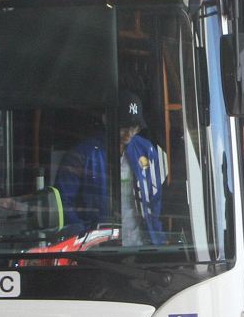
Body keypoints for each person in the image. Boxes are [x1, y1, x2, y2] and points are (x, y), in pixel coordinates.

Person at [54, 91, 165, 243]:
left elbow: (155, 197)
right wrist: (84, 237)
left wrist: (157, 236)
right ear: (106, 119)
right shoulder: (82, 154)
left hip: (142, 243)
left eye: (135, 127)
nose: (129, 133)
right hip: (99, 246)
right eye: (123, 127)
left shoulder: (146, 150)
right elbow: (62, 202)